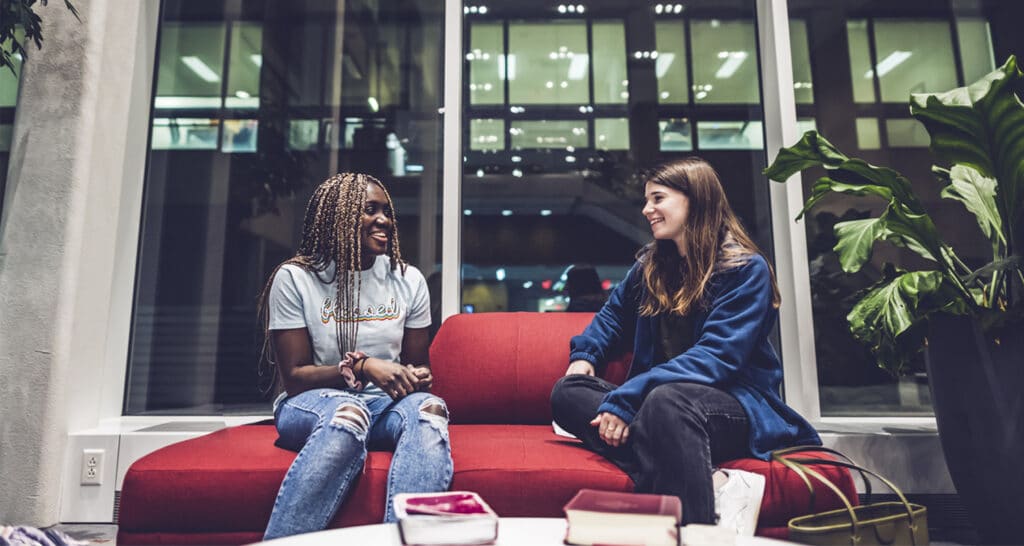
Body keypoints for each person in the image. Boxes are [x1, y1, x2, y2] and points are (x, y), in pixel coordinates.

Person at [550, 158, 821, 535]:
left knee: (667, 400)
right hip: (661, 405)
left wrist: (629, 398)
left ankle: (698, 532)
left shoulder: (745, 269)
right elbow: (611, 319)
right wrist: (584, 358)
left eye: (657, 198)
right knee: (567, 393)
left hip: (730, 404)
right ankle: (716, 483)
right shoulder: (650, 266)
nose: (647, 210)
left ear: (695, 200)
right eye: (647, 201)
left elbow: (717, 358)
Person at [257, 173, 453, 540]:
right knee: (350, 414)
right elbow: (295, 377)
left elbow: (418, 363)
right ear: (338, 217)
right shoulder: (296, 278)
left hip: (385, 408)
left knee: (431, 410)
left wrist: (417, 377)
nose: (385, 220)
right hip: (312, 404)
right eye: (370, 210)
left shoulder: (408, 280)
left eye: (387, 211)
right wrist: (360, 367)